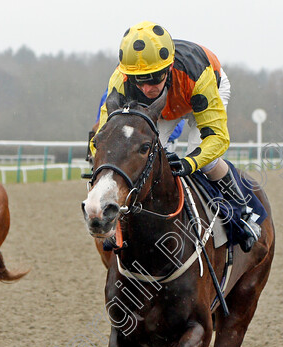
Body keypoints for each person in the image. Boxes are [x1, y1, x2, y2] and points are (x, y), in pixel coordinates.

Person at [90, 21, 260, 251]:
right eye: (141, 81)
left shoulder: (197, 74)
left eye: (156, 78)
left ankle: (242, 213)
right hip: (165, 106)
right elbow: (104, 138)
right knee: (144, 160)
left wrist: (189, 162)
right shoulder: (121, 80)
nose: (148, 88)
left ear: (168, 68)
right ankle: (122, 225)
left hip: (202, 91)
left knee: (205, 161)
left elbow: (218, 138)